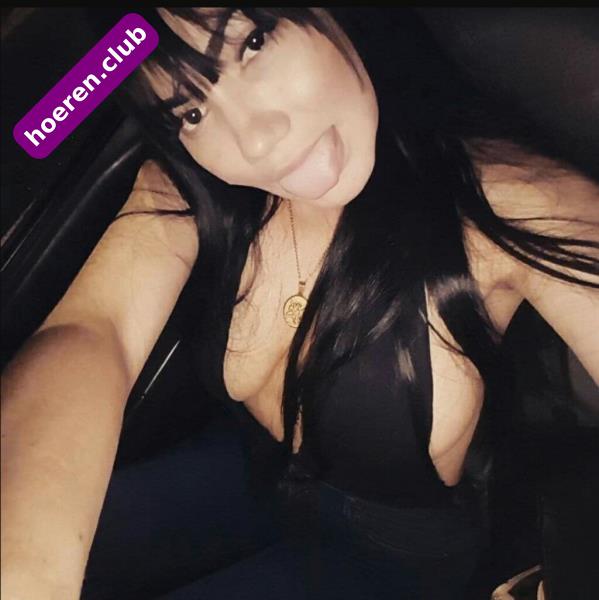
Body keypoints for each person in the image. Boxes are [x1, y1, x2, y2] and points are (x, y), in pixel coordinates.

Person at [2, 7, 598, 599]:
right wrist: (29, 569)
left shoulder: (515, 200)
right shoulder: (190, 185)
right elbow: (97, 328)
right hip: (244, 469)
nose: (255, 141)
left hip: (389, 552)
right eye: (191, 111)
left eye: (253, 43)